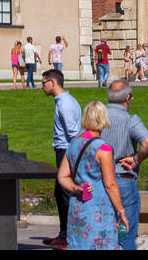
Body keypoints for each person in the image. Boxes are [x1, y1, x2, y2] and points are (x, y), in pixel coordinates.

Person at [57, 101, 129, 250]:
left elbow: (62, 176)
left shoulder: (74, 144)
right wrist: (121, 211)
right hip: (99, 209)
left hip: (78, 208)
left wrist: (76, 188)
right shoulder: (103, 148)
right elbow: (110, 184)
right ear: (103, 119)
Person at [102, 80, 148, 250]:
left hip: (100, 179)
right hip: (122, 178)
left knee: (103, 231)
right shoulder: (130, 119)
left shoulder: (98, 117)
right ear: (127, 98)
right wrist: (137, 158)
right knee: (125, 231)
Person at [42, 67, 82, 250]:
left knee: (66, 195)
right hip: (64, 151)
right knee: (60, 194)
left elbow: (74, 133)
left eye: (43, 83)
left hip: (66, 152)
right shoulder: (63, 101)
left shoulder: (65, 103)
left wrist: (70, 157)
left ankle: (71, 238)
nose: (42, 87)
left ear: (53, 82)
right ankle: (65, 235)